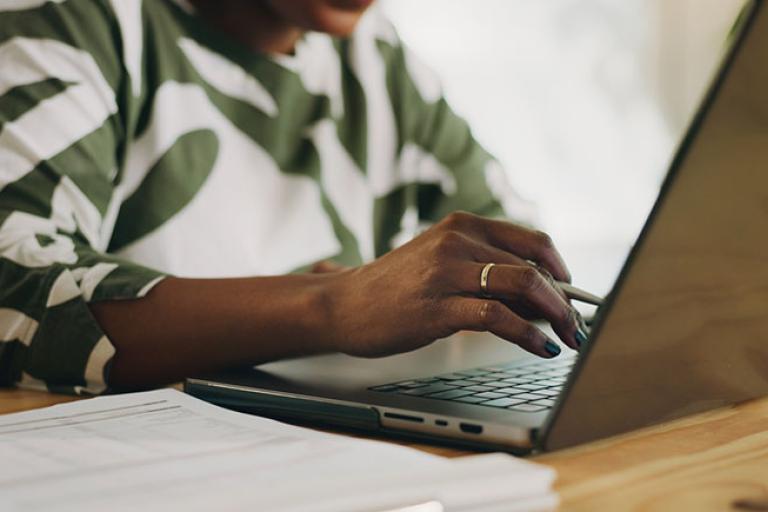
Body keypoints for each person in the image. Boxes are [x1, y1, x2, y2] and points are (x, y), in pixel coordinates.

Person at [0, 0, 588, 395]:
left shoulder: (373, 57)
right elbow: (15, 294)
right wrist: (334, 306)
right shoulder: (74, 23)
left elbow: (514, 260)